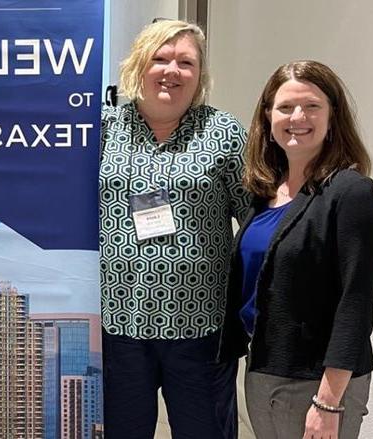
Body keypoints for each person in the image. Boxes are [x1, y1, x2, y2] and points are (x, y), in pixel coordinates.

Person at [218, 60, 373, 439]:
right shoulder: (266, 194)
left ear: (333, 117)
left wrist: (328, 402)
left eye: (312, 106)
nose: (298, 117)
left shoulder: (350, 193)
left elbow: (355, 303)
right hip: (265, 369)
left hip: (317, 383)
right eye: (285, 107)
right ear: (267, 116)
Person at [100, 20, 250, 438]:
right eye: (160, 59)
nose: (172, 71)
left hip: (202, 329)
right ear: (138, 65)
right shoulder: (103, 130)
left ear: (199, 75)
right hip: (118, 327)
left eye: (186, 62)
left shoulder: (224, 133)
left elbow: (254, 219)